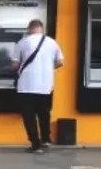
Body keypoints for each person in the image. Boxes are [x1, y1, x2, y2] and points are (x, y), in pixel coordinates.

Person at [11, 19, 64, 153]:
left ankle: (36, 144)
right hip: (45, 86)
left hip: (26, 85)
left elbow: (15, 65)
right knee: (44, 113)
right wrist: (48, 68)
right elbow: (60, 61)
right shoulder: (52, 42)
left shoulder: (23, 42)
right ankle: (46, 139)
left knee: (29, 116)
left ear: (29, 29)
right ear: (42, 29)